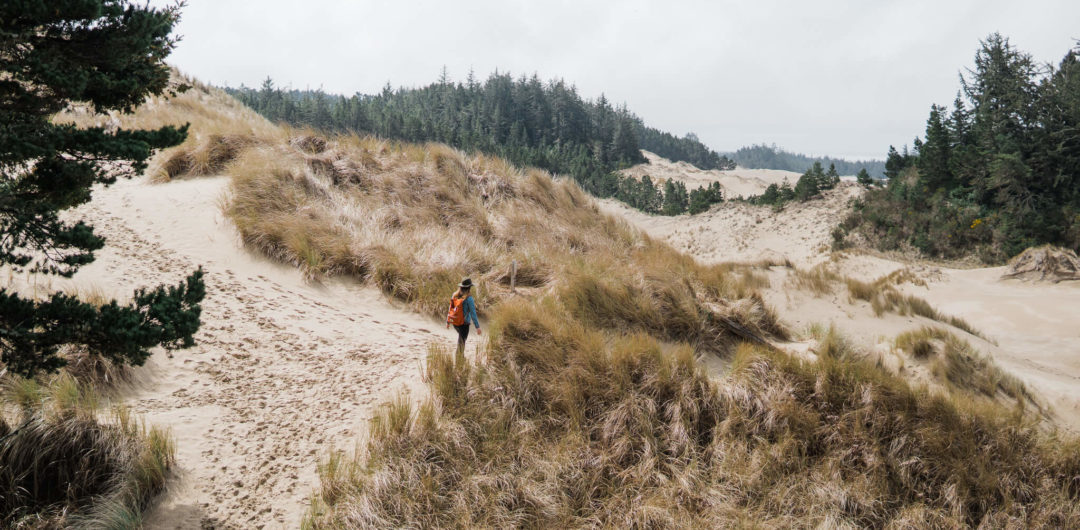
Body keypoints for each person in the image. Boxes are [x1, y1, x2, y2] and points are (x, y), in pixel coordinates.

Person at [446, 277, 481, 357]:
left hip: (455, 323)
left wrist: (448, 322)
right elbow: (473, 314)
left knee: (461, 341)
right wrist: (477, 327)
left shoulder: (454, 295)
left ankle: (461, 359)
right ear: (469, 288)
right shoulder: (469, 299)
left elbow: (450, 309)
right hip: (464, 325)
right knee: (461, 344)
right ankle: (459, 361)